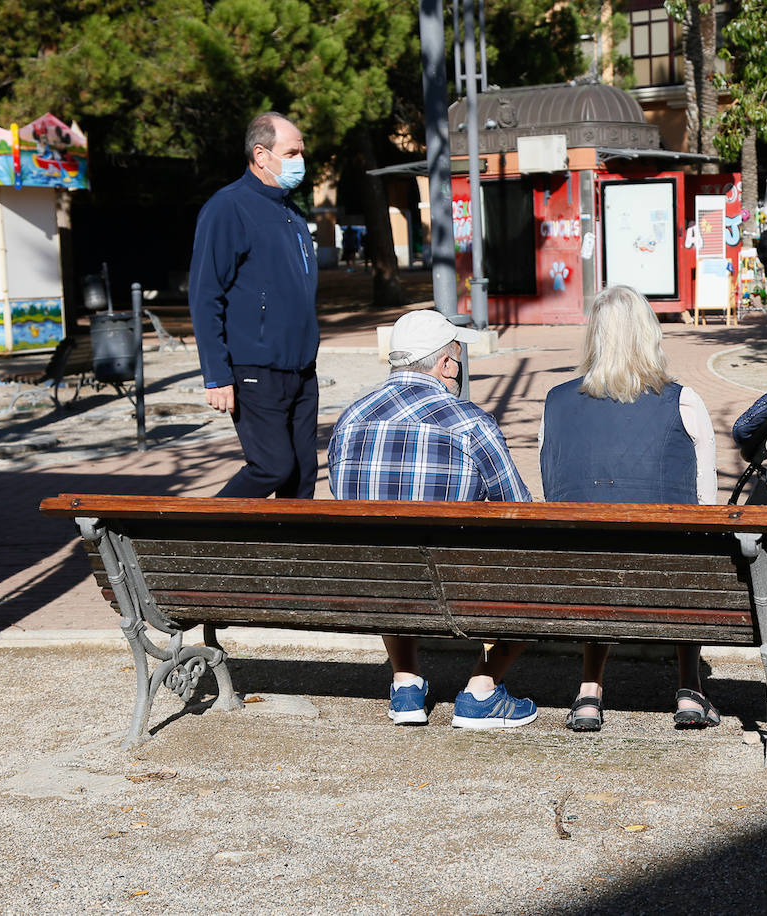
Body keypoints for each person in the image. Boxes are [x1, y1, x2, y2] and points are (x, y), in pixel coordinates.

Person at [327, 309, 538, 729]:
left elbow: (342, 495)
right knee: (539, 564)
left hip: (372, 583)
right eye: (458, 359)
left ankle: (405, 682)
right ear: (445, 364)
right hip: (453, 586)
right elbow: (519, 510)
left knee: (389, 549)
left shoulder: (350, 419)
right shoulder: (470, 422)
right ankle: (481, 691)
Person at [539, 285, 721, 732]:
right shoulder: (684, 401)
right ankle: (689, 685)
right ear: (649, 335)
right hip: (668, 575)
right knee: (693, 546)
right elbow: (706, 504)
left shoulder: (555, 403)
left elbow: (554, 489)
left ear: (594, 337)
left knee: (593, 541)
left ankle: (589, 690)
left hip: (583, 575)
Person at [189, 112, 319, 499]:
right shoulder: (228, 207)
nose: (300, 161)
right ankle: (201, 529)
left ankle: (290, 542)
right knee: (272, 466)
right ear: (261, 155)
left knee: (302, 474)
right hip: (254, 368)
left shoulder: (292, 212)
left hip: (301, 369)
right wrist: (217, 375)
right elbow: (204, 295)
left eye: (301, 152)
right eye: (291, 153)